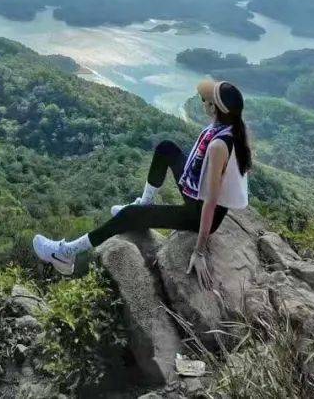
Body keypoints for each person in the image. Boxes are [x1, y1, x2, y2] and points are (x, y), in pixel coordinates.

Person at [32, 79, 251, 287]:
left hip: (200, 210)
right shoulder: (228, 125)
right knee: (166, 148)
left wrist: (199, 251)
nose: (203, 102)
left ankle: (65, 254)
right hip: (198, 192)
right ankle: (144, 203)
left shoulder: (218, 146)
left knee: (129, 217)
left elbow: (211, 201)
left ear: (215, 109)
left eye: (207, 101)